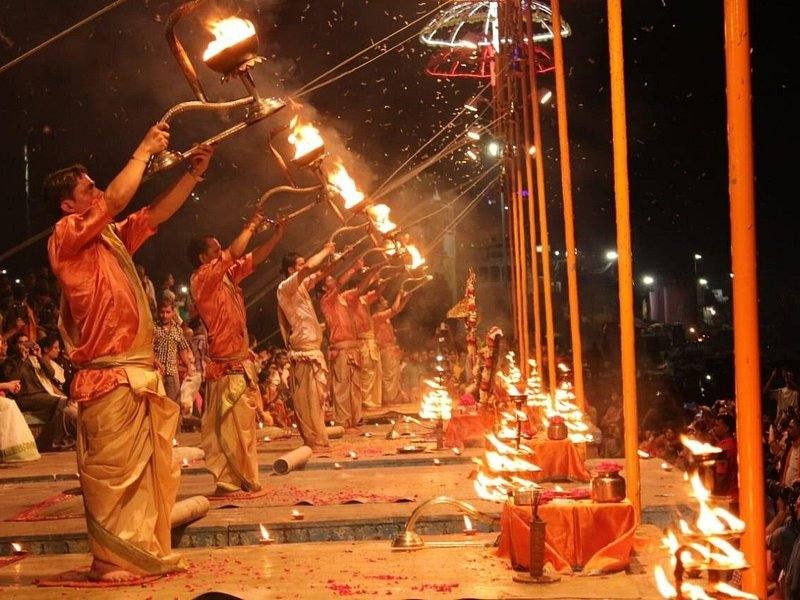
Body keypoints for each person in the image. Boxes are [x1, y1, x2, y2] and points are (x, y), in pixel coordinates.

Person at [46, 122, 213, 582]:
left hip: (136, 374)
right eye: (88, 189)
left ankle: (137, 552)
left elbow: (154, 215)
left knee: (143, 476)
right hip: (108, 374)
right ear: (68, 205)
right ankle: (111, 561)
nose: (97, 192)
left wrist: (193, 174)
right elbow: (117, 200)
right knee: (114, 474)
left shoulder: (110, 238)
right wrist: (143, 149)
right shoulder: (66, 236)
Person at [188, 211, 284, 494]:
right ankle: (238, 481)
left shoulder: (225, 276)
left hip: (238, 363)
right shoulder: (203, 278)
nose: (222, 255)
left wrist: (276, 235)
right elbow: (235, 251)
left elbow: (252, 257)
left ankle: (237, 479)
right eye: (215, 251)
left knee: (241, 427)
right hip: (226, 366)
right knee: (232, 429)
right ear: (203, 259)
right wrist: (252, 226)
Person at [277, 243, 348, 452]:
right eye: (299, 265)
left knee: (318, 398)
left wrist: (341, 256)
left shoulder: (301, 287)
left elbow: (321, 272)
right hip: (303, 351)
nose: (304, 267)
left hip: (313, 350)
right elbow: (310, 268)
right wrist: (326, 250)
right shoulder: (286, 288)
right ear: (291, 270)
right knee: (307, 399)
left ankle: (318, 437)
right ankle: (313, 440)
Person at [320, 258, 375, 432]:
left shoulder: (345, 298)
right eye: (329, 280)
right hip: (341, 349)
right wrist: (353, 268)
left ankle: (356, 419)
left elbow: (360, 289)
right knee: (342, 385)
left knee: (355, 385)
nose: (333, 281)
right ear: (323, 287)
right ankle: (343, 421)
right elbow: (339, 285)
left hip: (354, 348)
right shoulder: (326, 301)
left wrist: (374, 270)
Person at [0, 336, 40, 463]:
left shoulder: (32, 359)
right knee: (9, 405)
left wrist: (8, 386)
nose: (2, 346)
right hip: (23, 397)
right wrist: (7, 386)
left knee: (9, 404)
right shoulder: (10, 362)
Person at [373, 289, 411, 406]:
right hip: (385, 350)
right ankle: (388, 400)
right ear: (378, 304)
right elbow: (394, 309)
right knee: (388, 376)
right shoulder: (377, 316)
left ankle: (392, 399)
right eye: (383, 300)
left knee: (394, 376)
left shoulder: (385, 317)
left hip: (392, 350)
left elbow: (397, 310)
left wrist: (407, 298)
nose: (386, 301)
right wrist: (399, 294)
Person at [153, 300, 195, 403]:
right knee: (157, 404)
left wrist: (189, 367)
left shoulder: (177, 330)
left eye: (168, 312)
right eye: (162, 312)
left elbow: (182, 350)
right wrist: (157, 363)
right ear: (158, 312)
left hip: (172, 372)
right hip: (156, 372)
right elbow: (148, 349)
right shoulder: (153, 328)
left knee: (174, 403)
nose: (164, 315)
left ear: (173, 312)